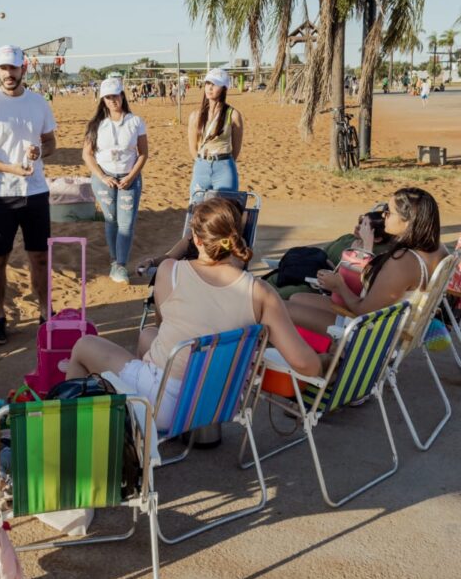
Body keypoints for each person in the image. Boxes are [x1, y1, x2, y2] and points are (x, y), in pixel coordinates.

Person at [63, 198, 321, 427]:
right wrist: (328, 360)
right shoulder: (261, 292)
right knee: (148, 335)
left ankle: (69, 438)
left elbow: (169, 328)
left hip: (167, 406)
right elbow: (305, 364)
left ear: (196, 240)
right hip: (220, 402)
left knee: (83, 346)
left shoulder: (171, 271)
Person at [0, 45, 58, 345]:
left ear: (24, 69)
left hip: (36, 191)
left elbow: (50, 142)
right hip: (1, 194)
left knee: (40, 257)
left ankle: (45, 314)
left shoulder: (39, 103)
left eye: (13, 68)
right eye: (3, 68)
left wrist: (39, 151)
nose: (8, 73)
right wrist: (8, 168)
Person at [287, 187, 448, 333]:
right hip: (392, 320)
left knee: (283, 309)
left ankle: (327, 355)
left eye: (389, 212)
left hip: (368, 331)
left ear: (407, 221)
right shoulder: (439, 249)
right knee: (297, 298)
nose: (384, 216)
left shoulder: (403, 262)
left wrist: (339, 285)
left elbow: (363, 311)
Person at [82, 76, 148, 284]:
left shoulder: (135, 121)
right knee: (111, 221)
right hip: (104, 179)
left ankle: (120, 263)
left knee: (126, 223)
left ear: (122, 95)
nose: (112, 100)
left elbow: (143, 153)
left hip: (129, 178)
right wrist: (102, 176)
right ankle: (114, 261)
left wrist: (131, 176)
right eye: (108, 97)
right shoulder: (96, 125)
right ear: (103, 100)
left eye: (116, 96)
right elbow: (88, 154)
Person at [187, 68, 243, 197]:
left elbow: (236, 149)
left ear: (224, 88)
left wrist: (222, 162)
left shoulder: (233, 115)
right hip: (202, 166)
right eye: (207, 83)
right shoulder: (195, 116)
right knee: (196, 210)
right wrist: (202, 162)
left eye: (215, 84)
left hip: (224, 166)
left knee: (224, 211)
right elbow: (193, 147)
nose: (209, 88)